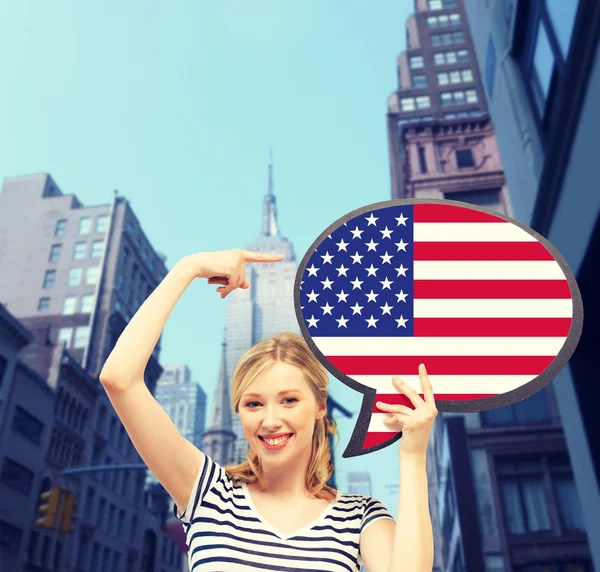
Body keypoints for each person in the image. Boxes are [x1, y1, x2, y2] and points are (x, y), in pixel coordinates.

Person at [99, 249, 437, 571]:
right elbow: (119, 379)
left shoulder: (358, 516)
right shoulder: (209, 494)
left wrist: (413, 455)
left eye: (289, 400)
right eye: (254, 404)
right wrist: (189, 267)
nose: (271, 421)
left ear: (320, 407)